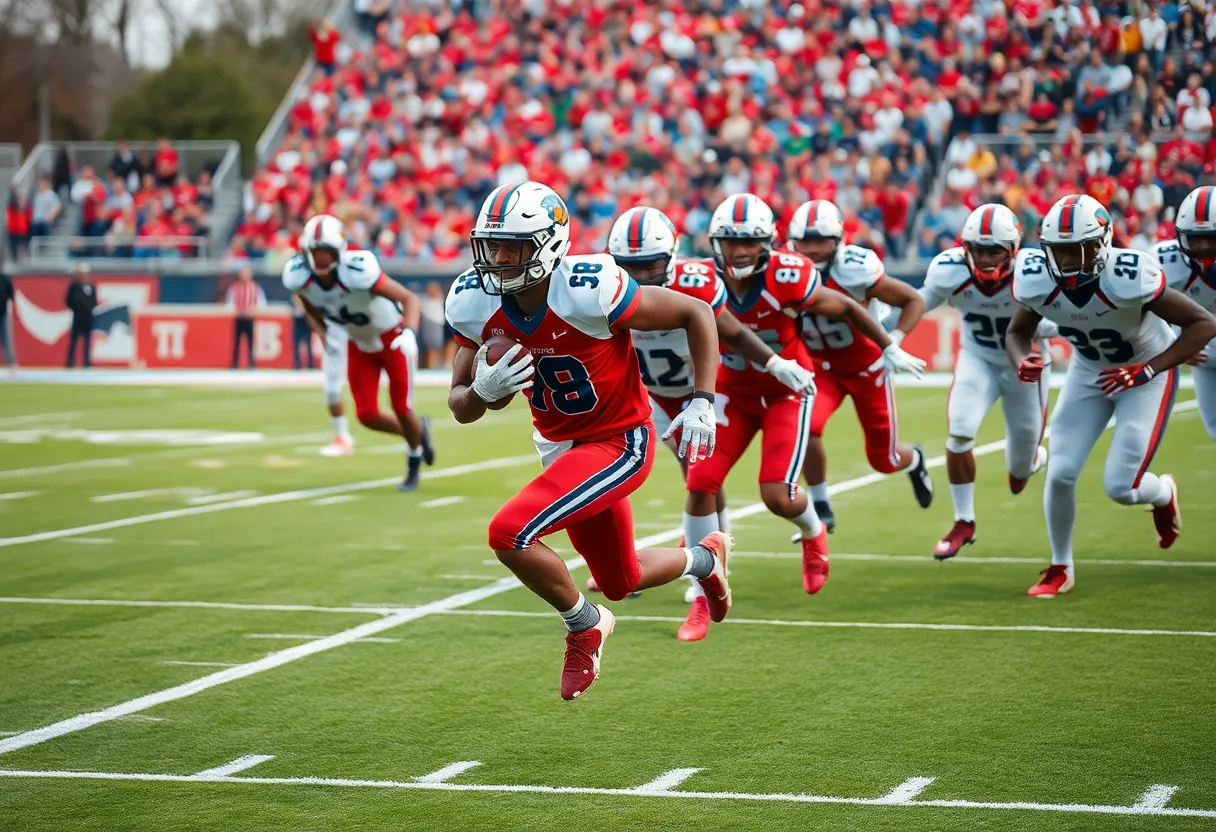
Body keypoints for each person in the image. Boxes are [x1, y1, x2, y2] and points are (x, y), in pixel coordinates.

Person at [444, 181, 731, 700]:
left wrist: (702, 401)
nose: (499, 259)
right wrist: (481, 392)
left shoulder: (587, 286)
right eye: (493, 246)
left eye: (514, 246)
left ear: (549, 243)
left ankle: (584, 625)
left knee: (510, 533)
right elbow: (460, 406)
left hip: (619, 441)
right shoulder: (473, 302)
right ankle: (706, 559)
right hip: (559, 447)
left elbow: (697, 313)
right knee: (624, 578)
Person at [683, 193, 926, 598]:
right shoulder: (698, 277)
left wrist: (888, 343)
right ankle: (702, 580)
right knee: (700, 481)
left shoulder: (788, 274)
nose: (740, 252)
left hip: (786, 392)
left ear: (768, 243)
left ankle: (814, 531)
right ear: (715, 243)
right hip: (733, 390)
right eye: (731, 242)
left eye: (749, 242)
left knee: (777, 496)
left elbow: (847, 308)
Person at [599, 205, 816, 642]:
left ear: (673, 257)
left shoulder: (694, 282)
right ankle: (667, 561)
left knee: (702, 481)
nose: (640, 277)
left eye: (651, 266)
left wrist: (774, 363)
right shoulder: (601, 286)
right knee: (684, 481)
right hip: (649, 397)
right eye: (631, 267)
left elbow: (731, 331)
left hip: (700, 397)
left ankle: (708, 573)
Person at [1007, 193, 1216, 598]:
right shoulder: (1036, 277)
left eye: (1077, 250)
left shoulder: (1129, 273)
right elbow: (1017, 331)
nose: (1067, 263)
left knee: (1121, 488)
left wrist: (1150, 368)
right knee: (1061, 471)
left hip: (1145, 373)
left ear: (1101, 243)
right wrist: (1021, 358)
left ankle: (1163, 492)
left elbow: (1202, 323)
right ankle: (1059, 566)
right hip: (1089, 373)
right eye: (1059, 252)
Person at [786, 199, 932, 534]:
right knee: (807, 427)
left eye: (819, 241)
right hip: (820, 367)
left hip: (868, 367)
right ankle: (821, 504)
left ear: (838, 241)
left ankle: (915, 459)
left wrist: (893, 340)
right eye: (804, 242)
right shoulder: (786, 269)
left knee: (885, 460)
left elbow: (914, 299)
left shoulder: (854, 268)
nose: (810, 250)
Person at [919, 204, 1053, 559]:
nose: (987, 258)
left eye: (995, 250)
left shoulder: (1036, 271)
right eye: (979, 249)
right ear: (966, 248)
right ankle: (964, 521)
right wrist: (879, 328)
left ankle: (1033, 459)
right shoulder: (949, 270)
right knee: (960, 431)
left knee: (1020, 468)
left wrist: (1054, 326)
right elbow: (916, 305)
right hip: (977, 359)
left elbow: (1066, 313)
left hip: (1028, 366)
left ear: (1013, 249)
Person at [284, 214, 434, 490]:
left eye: (325, 252)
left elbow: (408, 298)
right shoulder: (299, 277)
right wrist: (324, 331)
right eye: (314, 253)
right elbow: (308, 303)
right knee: (367, 415)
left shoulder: (358, 268)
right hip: (359, 342)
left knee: (401, 407)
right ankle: (418, 429)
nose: (320, 260)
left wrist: (409, 332)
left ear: (339, 251)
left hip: (391, 337)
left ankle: (413, 462)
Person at [1154, 186, 1216, 441]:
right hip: (1201, 354)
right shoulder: (1163, 262)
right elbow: (1140, 311)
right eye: (1194, 238)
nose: (1202, 247)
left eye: (1212, 238)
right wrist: (1176, 345)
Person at [225, 267, 265, 369]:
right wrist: (239, 311)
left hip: (250, 319)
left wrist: (252, 311)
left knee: (251, 342)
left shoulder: (256, 288)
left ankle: (252, 363)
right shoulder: (234, 288)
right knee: (236, 342)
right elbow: (229, 304)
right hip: (239, 318)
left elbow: (262, 303)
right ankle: (235, 364)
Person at [65, 266, 96, 369]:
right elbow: (69, 300)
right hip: (77, 317)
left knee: (87, 342)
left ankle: (87, 363)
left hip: (88, 318)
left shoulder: (91, 287)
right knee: (74, 342)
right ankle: (70, 363)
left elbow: (94, 301)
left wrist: (88, 308)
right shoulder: (74, 287)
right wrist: (78, 308)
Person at [420, 281, 447, 369]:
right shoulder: (425, 301)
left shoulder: (441, 299)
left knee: (438, 346)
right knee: (431, 347)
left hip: (439, 325)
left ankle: (436, 364)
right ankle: (431, 365)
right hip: (430, 325)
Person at [0, 268, 15, 373]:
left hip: (3, 313)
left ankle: (12, 364)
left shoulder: (5, 279)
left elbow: (11, 294)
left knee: (7, 340)